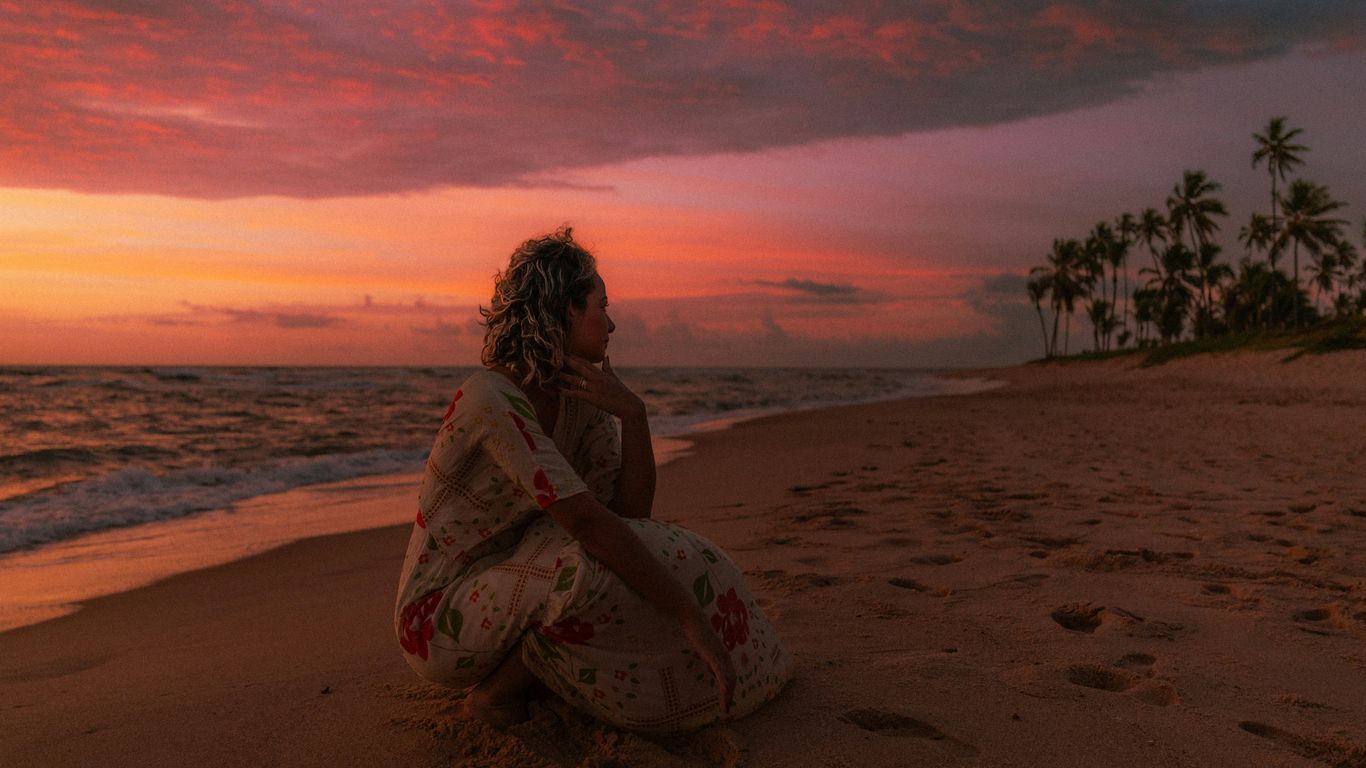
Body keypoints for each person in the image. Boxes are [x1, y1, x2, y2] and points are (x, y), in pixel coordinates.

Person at [393, 228, 791, 733]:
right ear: (564, 311)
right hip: (437, 618)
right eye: (600, 307)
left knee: (661, 553)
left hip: (513, 576)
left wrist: (635, 416)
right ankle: (494, 697)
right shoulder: (490, 399)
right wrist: (689, 616)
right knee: (592, 568)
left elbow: (630, 519)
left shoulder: (579, 396)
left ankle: (538, 675)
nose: (613, 323)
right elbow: (587, 523)